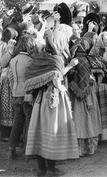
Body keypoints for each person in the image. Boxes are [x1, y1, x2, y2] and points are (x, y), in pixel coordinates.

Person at [24, 25, 79, 176]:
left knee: (39, 133)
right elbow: (57, 77)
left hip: (40, 99)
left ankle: (41, 168)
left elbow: (30, 75)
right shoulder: (57, 59)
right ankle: (51, 169)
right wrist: (70, 65)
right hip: (54, 99)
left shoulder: (41, 56)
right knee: (53, 131)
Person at [69, 32, 103, 156]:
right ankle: (85, 148)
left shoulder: (73, 59)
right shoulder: (83, 60)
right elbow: (84, 84)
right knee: (84, 119)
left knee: (76, 120)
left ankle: (76, 148)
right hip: (84, 95)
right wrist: (88, 99)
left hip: (72, 94)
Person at [8, 35, 36, 159]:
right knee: (29, 122)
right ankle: (29, 152)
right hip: (26, 94)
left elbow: (11, 78)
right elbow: (31, 80)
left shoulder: (13, 60)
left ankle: (11, 149)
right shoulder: (30, 61)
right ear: (30, 45)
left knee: (17, 123)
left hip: (15, 93)